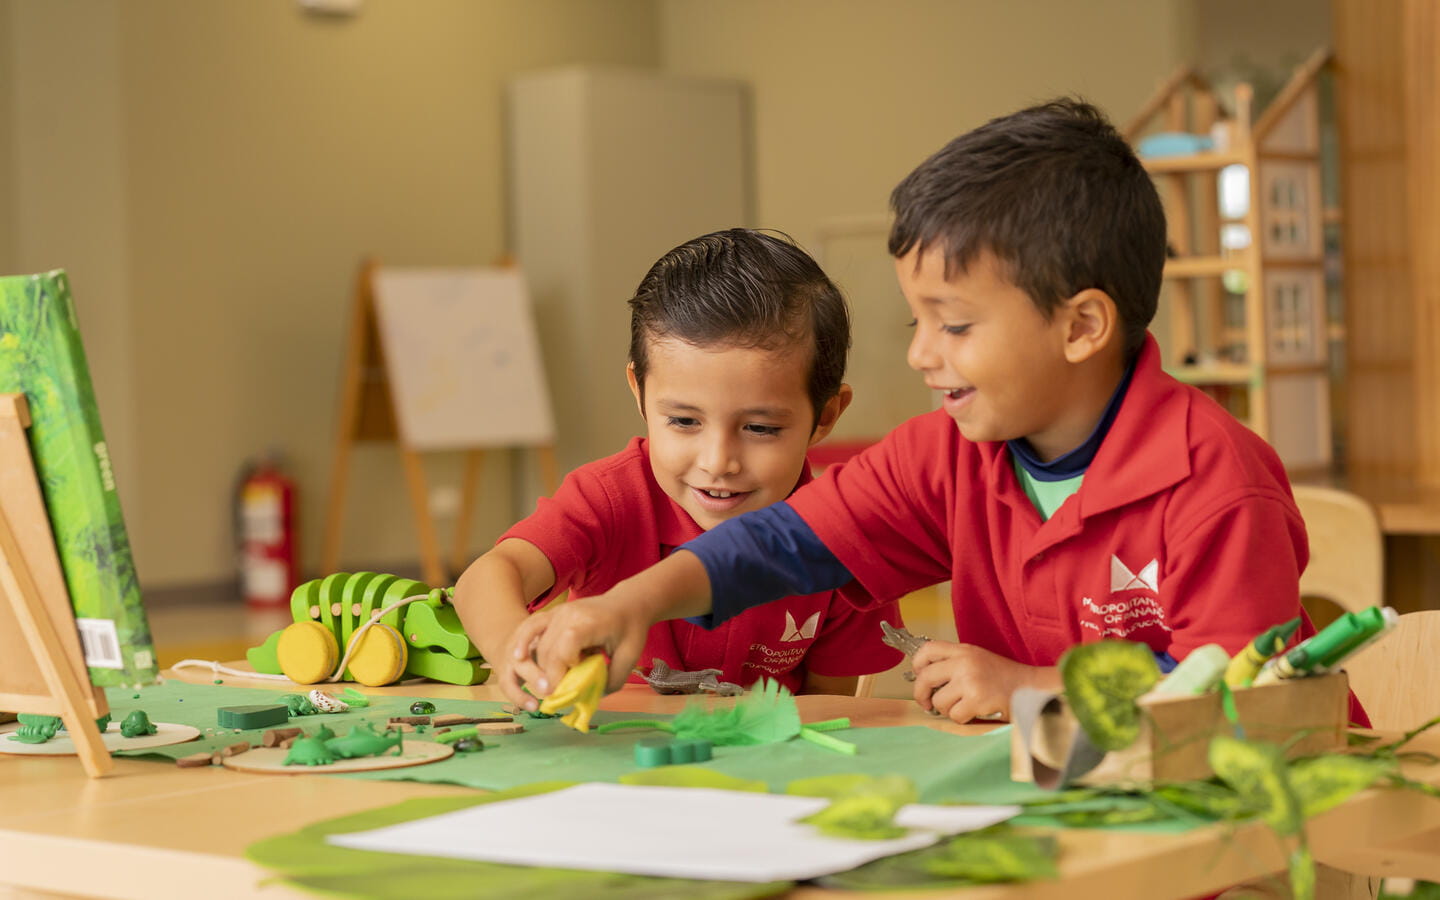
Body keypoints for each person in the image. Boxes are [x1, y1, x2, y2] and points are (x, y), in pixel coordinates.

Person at [508, 98, 1367, 727]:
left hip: (1240, 825)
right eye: (917, 321)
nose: (921, 354)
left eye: (953, 324)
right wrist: (630, 605)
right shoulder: (952, 453)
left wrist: (1032, 685)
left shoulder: (1215, 481)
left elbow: (1233, 692)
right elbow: (780, 543)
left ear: (1082, 326)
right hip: (1057, 803)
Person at [453, 228, 903, 710]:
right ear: (639, 391)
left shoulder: (840, 537)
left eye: (760, 428)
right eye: (685, 421)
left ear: (828, 415)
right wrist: (510, 649)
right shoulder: (608, 498)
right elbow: (491, 574)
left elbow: (828, 710)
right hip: (607, 759)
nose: (717, 462)